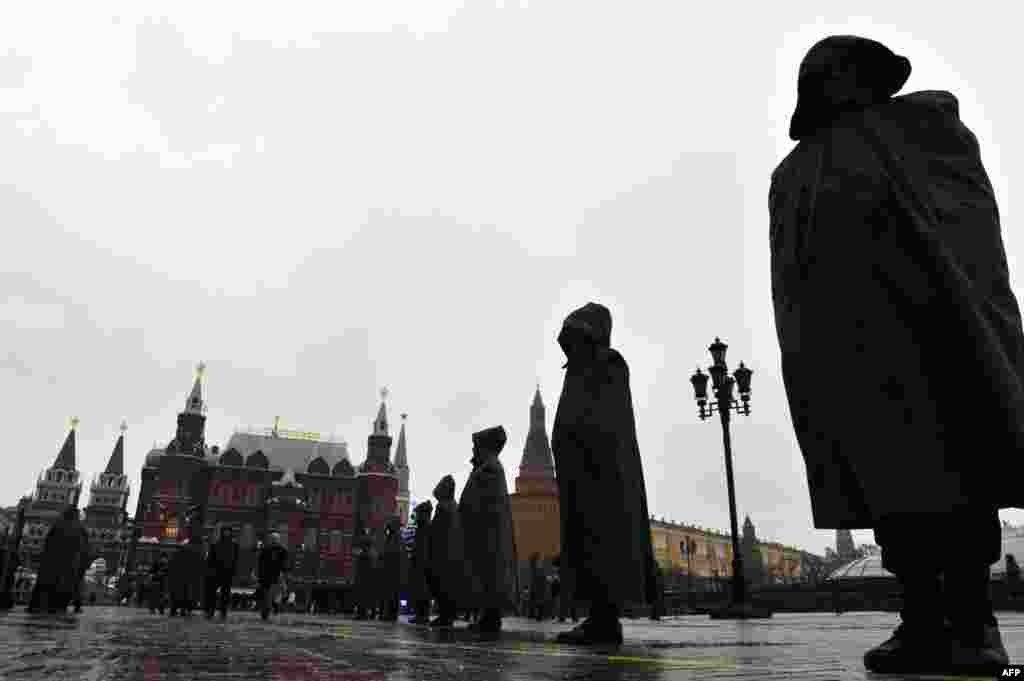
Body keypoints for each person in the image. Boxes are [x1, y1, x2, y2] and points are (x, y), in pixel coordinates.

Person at [771, 35, 1024, 675]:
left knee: (957, 479)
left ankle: (973, 624)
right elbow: (793, 274)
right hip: (851, 355)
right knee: (890, 497)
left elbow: (966, 234)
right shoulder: (796, 171)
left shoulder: (923, 128)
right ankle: (920, 621)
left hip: (933, 335)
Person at [552, 302, 658, 645]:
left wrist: (583, 448)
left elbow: (608, 426)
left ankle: (605, 621)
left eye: (578, 334)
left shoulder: (608, 364)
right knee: (587, 546)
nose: (572, 343)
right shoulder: (580, 368)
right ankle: (598, 617)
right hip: (580, 477)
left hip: (602, 477)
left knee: (603, 546)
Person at [458, 426, 517, 635]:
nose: (473, 451)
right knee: (486, 577)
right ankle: (488, 616)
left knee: (489, 576)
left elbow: (481, 503)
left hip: (488, 537)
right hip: (486, 535)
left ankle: (490, 618)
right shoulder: (487, 466)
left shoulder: (490, 468)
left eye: (475, 446)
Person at [28, 507, 90, 614]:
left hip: (52, 562)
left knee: (45, 584)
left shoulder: (58, 525)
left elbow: (48, 542)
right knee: (68, 585)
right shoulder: (80, 528)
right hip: (70, 563)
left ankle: (36, 606)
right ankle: (60, 606)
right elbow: (85, 548)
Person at [427, 475, 468, 627]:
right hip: (451, 553)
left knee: (441, 585)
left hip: (442, 553)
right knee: (447, 586)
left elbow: (437, 531)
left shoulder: (443, 506)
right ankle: (447, 615)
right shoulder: (453, 506)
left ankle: (445, 616)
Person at [407, 501, 434, 625]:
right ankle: (420, 614)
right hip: (421, 564)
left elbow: (423, 549)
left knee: (422, 590)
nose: (416, 516)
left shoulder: (426, 529)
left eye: (418, 514)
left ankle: (422, 615)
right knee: (420, 590)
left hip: (423, 566)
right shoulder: (423, 528)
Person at [205, 527, 239, 619]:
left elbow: (236, 560)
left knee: (225, 593)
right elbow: (210, 559)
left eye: (228, 532)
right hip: (216, 572)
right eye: (225, 532)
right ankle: (210, 611)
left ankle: (223, 611)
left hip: (227, 572)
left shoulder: (234, 546)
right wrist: (210, 571)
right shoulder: (216, 545)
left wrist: (233, 571)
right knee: (212, 592)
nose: (226, 533)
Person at [257, 532, 290, 621]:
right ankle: (265, 613)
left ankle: (275, 605)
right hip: (266, 576)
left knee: (278, 593)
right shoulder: (265, 550)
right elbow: (261, 563)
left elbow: (285, 563)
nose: (274, 540)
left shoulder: (282, 550)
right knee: (266, 596)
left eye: (275, 539)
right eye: (272, 539)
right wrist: (259, 574)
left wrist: (283, 572)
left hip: (278, 575)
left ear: (278, 540)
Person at [528, 553, 548, 621]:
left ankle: (537, 615)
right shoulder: (538, 571)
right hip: (538, 589)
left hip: (538, 589)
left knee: (538, 603)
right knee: (538, 603)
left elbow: (540, 581)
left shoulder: (538, 571)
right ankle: (536, 615)